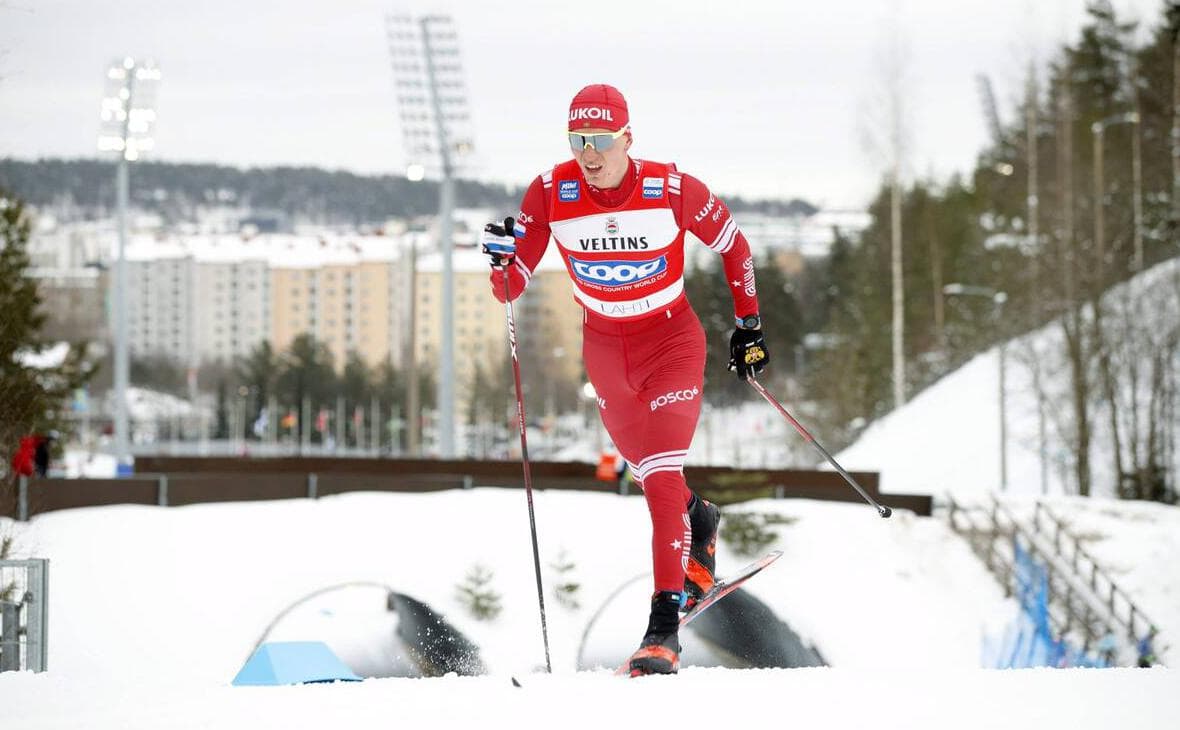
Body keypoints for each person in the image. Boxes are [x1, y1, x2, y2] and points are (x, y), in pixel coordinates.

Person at [481, 84, 769, 676]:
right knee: (655, 482)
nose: (589, 154)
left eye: (602, 141)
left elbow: (734, 245)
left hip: (671, 343)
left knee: (661, 479)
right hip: (605, 352)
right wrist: (502, 261)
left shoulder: (670, 187)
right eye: (578, 140)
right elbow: (513, 287)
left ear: (627, 139)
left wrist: (749, 327)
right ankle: (702, 519)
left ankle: (663, 631)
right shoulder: (552, 191)